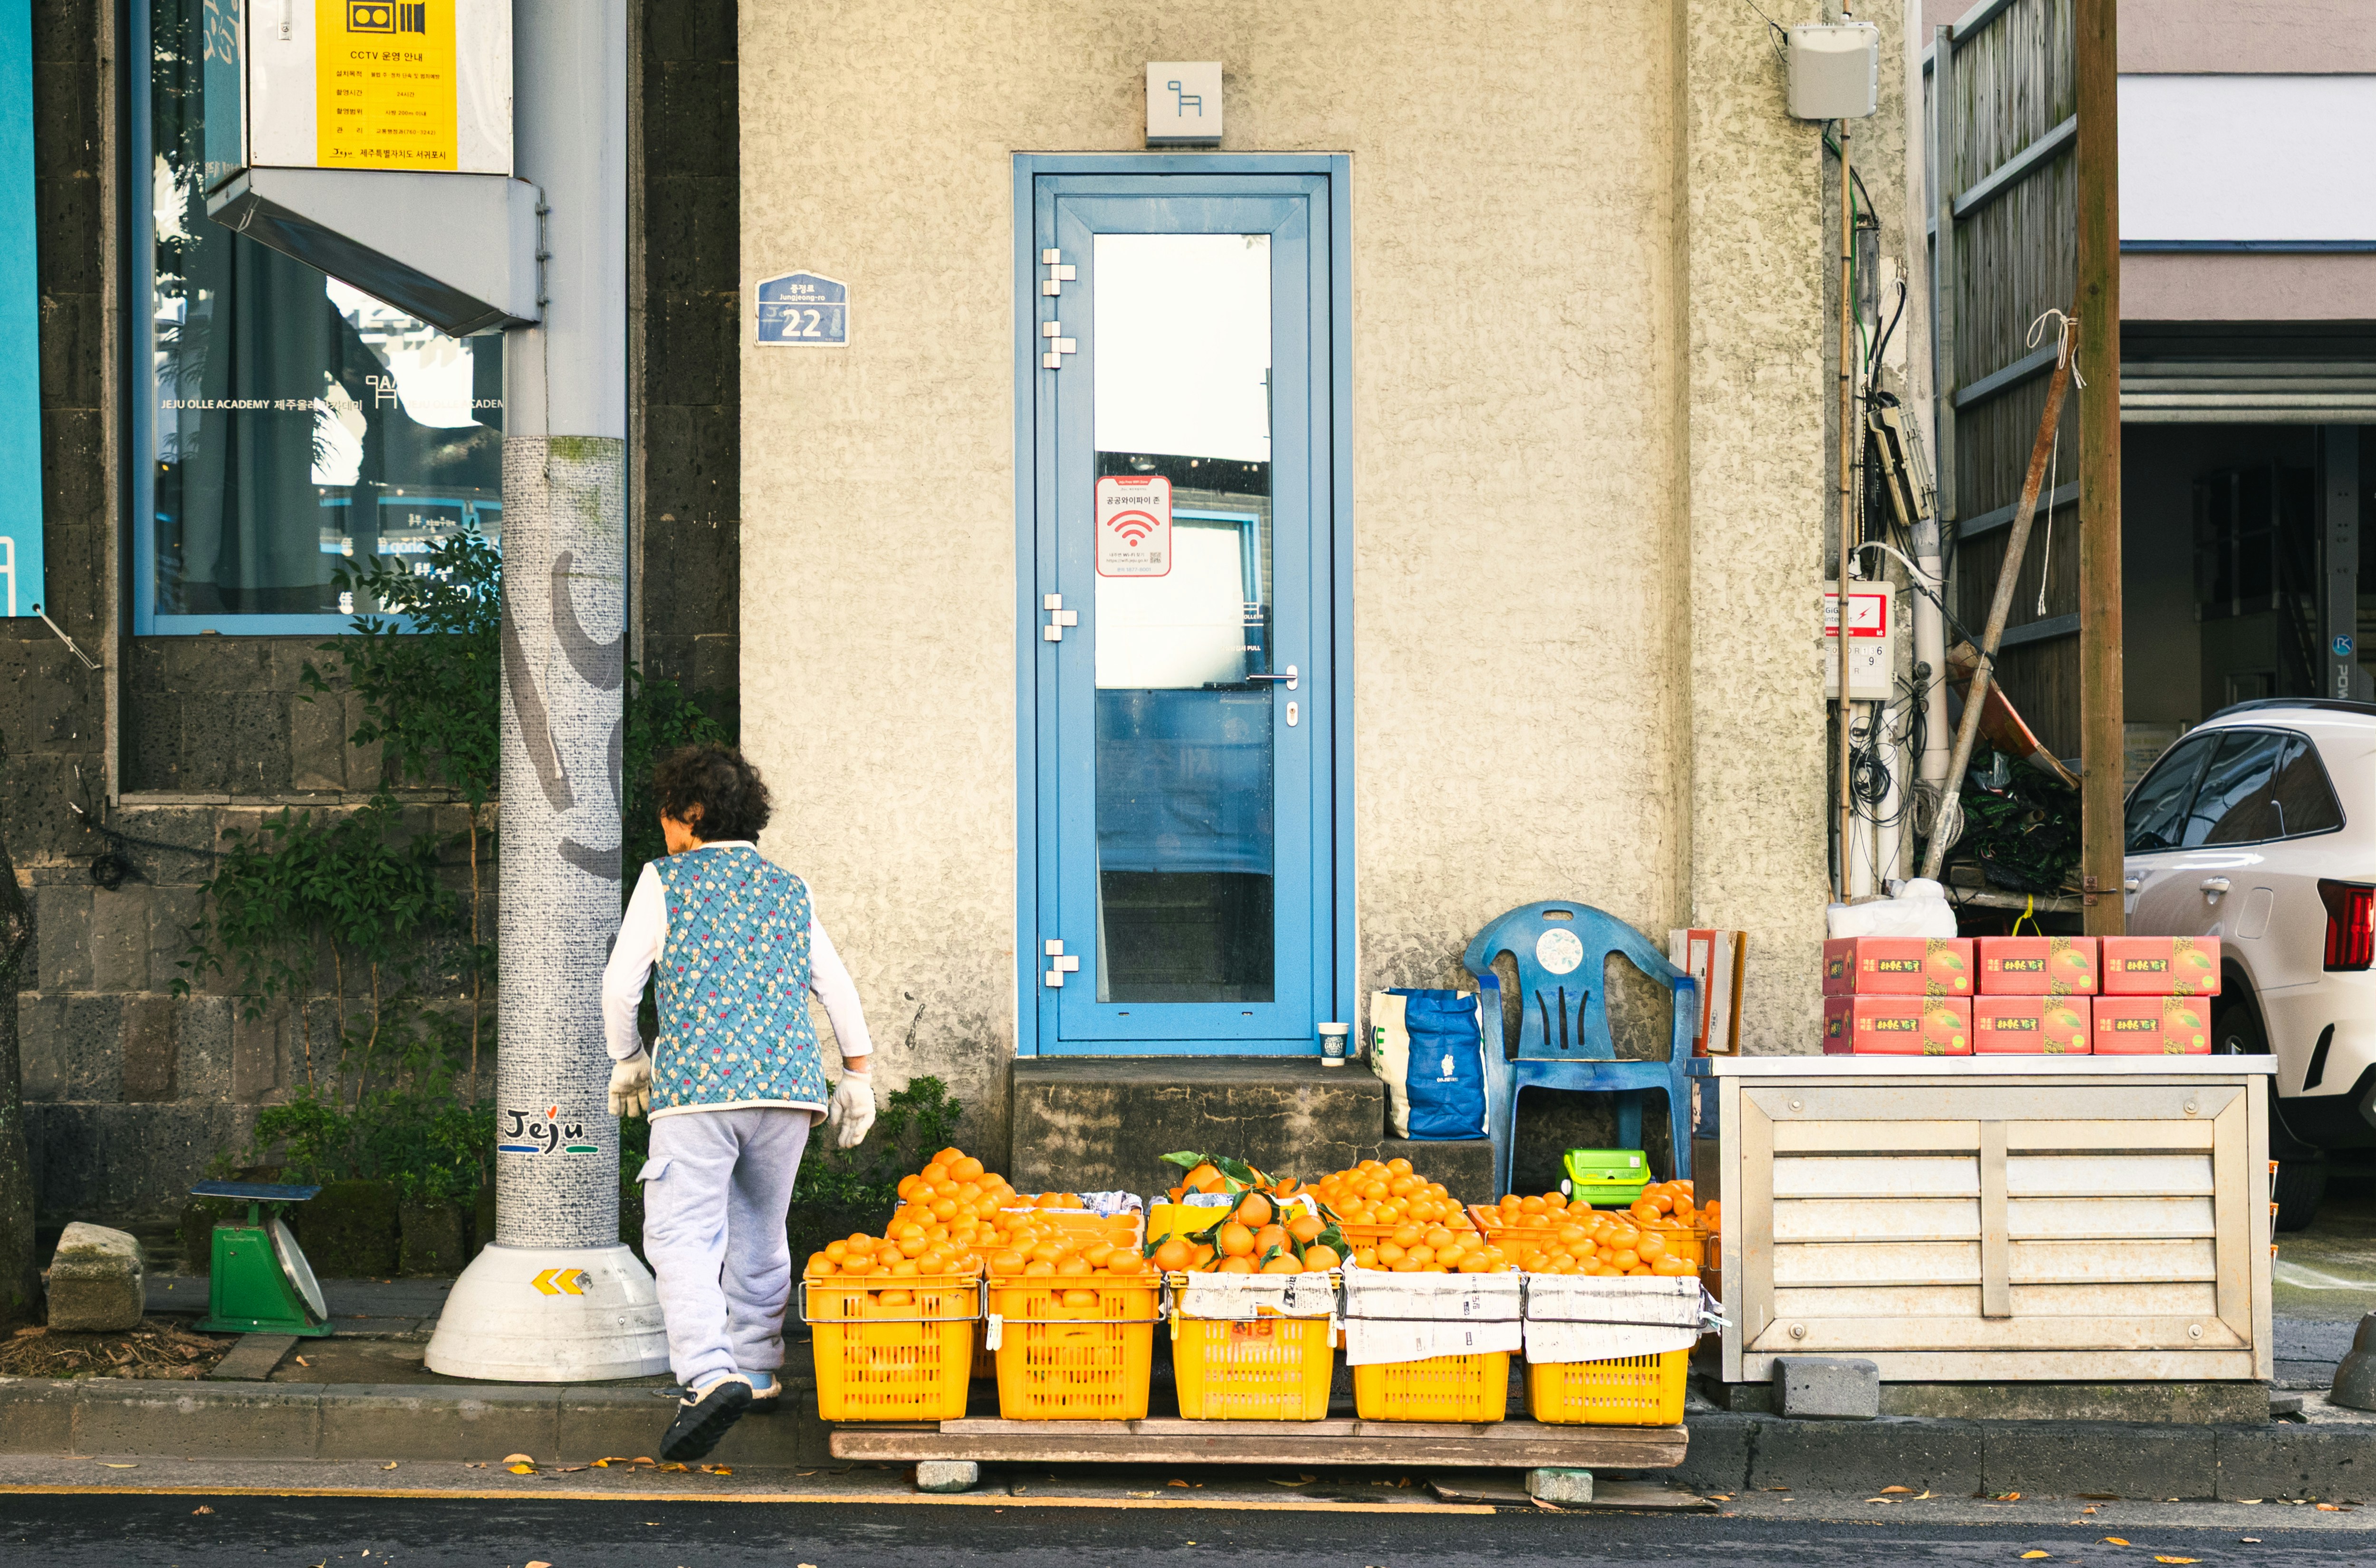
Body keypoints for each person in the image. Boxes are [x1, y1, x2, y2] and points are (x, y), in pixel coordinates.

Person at [600, 743, 878, 1461]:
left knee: (681, 1232)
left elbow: (620, 986)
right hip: (788, 1090)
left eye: (668, 815)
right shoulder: (792, 889)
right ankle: (756, 1368)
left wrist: (629, 1059)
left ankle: (705, 1374)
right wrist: (857, 1073)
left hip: (698, 1091)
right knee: (760, 1225)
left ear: (691, 815)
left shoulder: (664, 882)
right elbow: (836, 986)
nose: (664, 830)